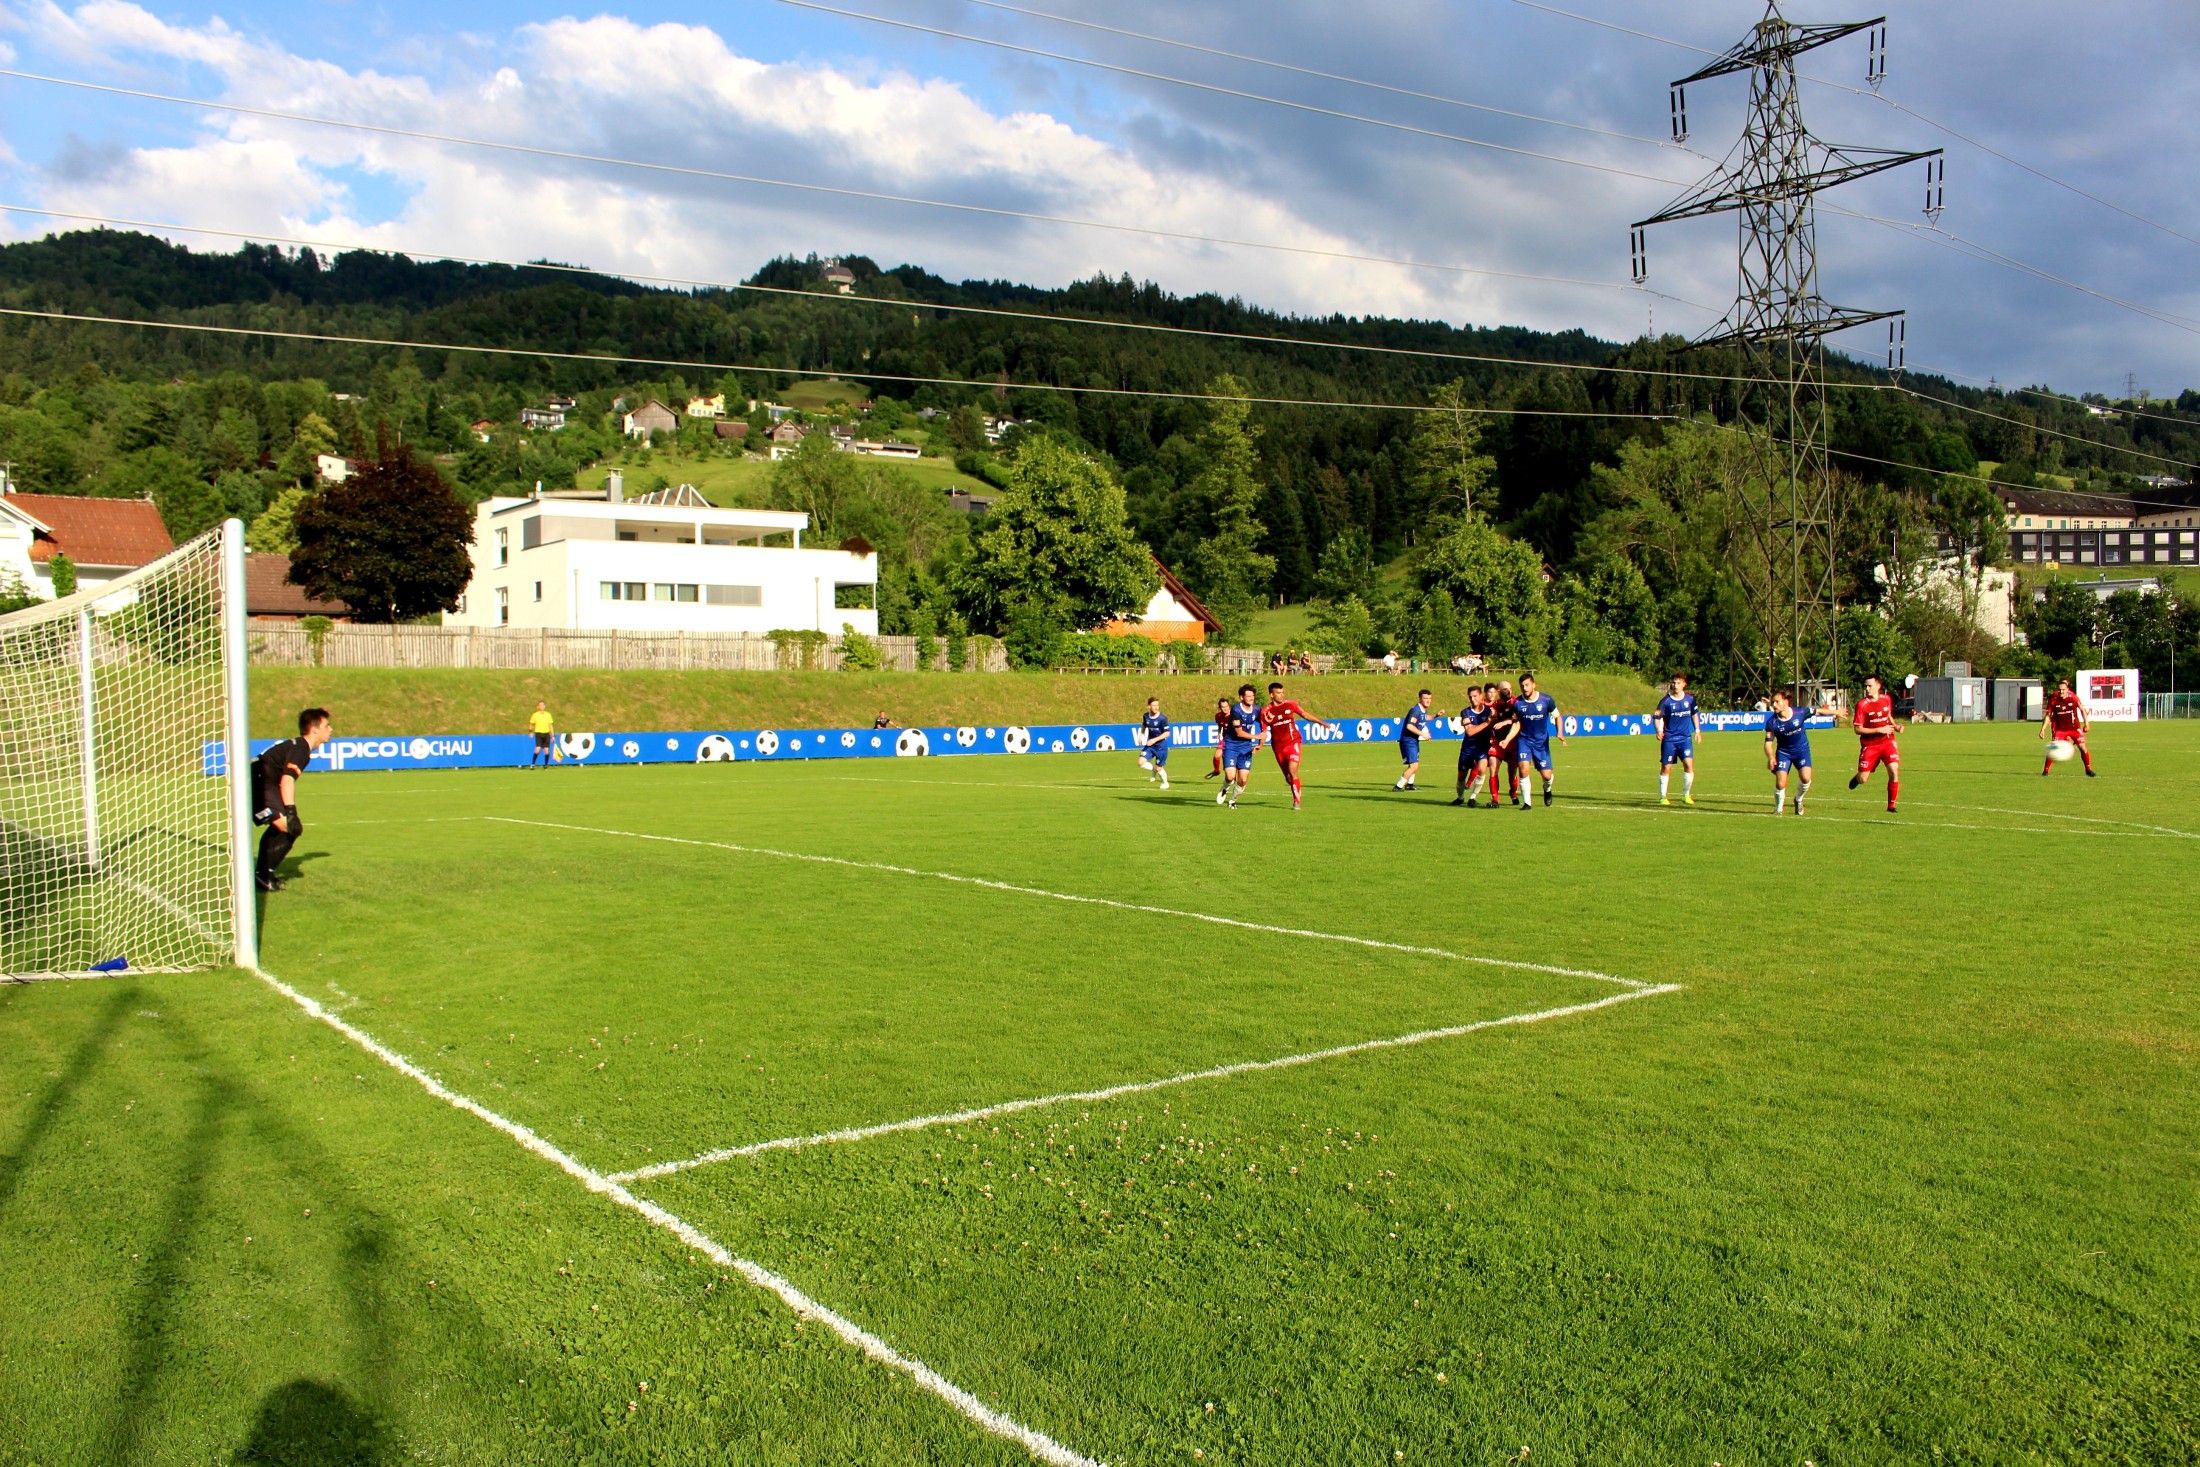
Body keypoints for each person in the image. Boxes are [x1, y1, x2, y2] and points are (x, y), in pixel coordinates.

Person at [254, 707, 332, 893]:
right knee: (289, 826)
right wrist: (291, 811)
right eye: (327, 726)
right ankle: (263, 875)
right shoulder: (301, 749)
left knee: (284, 827)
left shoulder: (299, 747)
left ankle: (263, 874)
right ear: (314, 729)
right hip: (259, 784)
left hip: (262, 783)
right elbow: (287, 780)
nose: (330, 729)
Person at [1260, 682, 1342, 810]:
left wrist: (1322, 723)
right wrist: (1260, 745)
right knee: (1288, 777)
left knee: (1293, 771)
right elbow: (1264, 731)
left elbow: (1305, 714)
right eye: (1278, 693)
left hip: (1293, 742)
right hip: (1278, 747)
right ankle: (1294, 787)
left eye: (1283, 693)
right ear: (1271, 695)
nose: (1282, 695)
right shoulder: (1265, 711)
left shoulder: (1290, 704)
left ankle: (1296, 801)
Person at [1511, 672, 1566, 810]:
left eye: (1527, 685)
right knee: (1523, 769)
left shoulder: (1546, 700)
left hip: (1541, 743)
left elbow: (1558, 717)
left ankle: (1547, 789)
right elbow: (1516, 723)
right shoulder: (1517, 703)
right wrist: (1507, 739)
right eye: (1522, 686)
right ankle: (1527, 803)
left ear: (1534, 685)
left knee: (1547, 776)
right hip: (1524, 741)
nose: (1525, 688)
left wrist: (1559, 732)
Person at [1848, 673, 1901, 813]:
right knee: (1863, 779)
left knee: (1894, 771)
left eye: (1870, 686)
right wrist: (1879, 729)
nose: (1867, 689)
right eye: (1865, 686)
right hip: (1870, 746)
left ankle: (1891, 806)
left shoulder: (1886, 699)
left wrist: (1895, 726)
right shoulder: (1862, 704)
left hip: (1888, 742)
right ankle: (1858, 778)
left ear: (1878, 686)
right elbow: (1857, 729)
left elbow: (1888, 715)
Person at [1762, 688, 1819, 815]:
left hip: (1802, 751)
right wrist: (1771, 757)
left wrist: (1836, 712)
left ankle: (1798, 799)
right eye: (1772, 702)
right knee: (1781, 783)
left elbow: (1817, 710)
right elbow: (1768, 743)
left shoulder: (1799, 712)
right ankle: (1778, 809)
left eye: (1777, 701)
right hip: (1784, 753)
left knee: (1806, 778)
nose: (1774, 705)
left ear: (1786, 701)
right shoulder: (1772, 722)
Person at [1653, 673, 1701, 806]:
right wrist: (1658, 730)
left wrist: (1697, 730)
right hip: (1669, 739)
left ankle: (1686, 795)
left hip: (1685, 738)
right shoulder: (1665, 701)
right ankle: (1663, 797)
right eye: (1674, 683)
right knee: (1666, 768)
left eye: (1678, 683)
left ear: (1684, 684)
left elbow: (1695, 714)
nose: (1675, 685)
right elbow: (1657, 718)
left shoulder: (1690, 700)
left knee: (1689, 765)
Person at [1218, 684, 1264, 808]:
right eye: (1248, 696)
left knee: (1243, 780)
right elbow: (1239, 732)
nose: (1251, 698)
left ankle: (1232, 801)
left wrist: (1260, 744)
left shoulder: (1257, 710)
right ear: (1241, 697)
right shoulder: (1236, 710)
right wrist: (1257, 737)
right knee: (1230, 776)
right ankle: (1224, 787)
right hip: (1231, 745)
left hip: (1246, 747)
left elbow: (1264, 727)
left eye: (1253, 696)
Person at [2041, 676, 2096, 777]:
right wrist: (2043, 729)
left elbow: (2082, 710)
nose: (2061, 692)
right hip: (2060, 730)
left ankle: (2088, 769)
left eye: (2063, 690)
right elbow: (2049, 715)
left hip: (2074, 728)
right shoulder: (2053, 699)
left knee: (2083, 748)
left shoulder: (2073, 697)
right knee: (2053, 748)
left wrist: (2087, 723)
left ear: (2067, 689)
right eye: (2059, 690)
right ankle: (2045, 771)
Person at [1451, 686, 1496, 807]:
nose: (1473, 699)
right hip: (1468, 747)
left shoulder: (1489, 711)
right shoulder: (1465, 712)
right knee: (1461, 775)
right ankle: (1460, 798)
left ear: (1481, 697)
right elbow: (1470, 732)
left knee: (1482, 769)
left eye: (1475, 696)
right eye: (1470, 697)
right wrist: (1487, 722)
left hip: (1482, 746)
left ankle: (1473, 797)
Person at [1394, 689, 1440, 792]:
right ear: (1420, 699)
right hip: (1408, 741)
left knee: (1414, 764)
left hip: (1413, 740)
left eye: (1429, 698)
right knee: (1414, 766)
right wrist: (1423, 734)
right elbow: (1409, 726)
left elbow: (1425, 718)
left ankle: (1410, 785)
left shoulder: (1422, 710)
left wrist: (1436, 715)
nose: (1428, 701)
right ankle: (1398, 786)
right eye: (1425, 698)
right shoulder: (1416, 710)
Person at [1484, 681, 1519, 805]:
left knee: (1512, 774)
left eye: (1510, 688)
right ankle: (1495, 799)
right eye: (1505, 689)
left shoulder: (1516, 703)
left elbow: (1517, 720)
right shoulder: (1495, 706)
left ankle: (1513, 792)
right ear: (1499, 692)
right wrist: (1491, 718)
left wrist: (1505, 722)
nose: (1508, 691)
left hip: (1513, 743)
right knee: (1493, 769)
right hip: (1498, 743)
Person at [1137, 696, 1173, 790]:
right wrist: (1140, 735)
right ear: (1149, 706)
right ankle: (1156, 770)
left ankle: (1165, 783)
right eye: (1154, 705)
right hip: (1151, 745)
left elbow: (1167, 733)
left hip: (1161, 746)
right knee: (1140, 763)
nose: (1156, 707)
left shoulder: (1162, 718)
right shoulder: (1146, 716)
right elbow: (1144, 725)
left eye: (1157, 705)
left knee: (1159, 768)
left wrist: (1154, 740)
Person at [1205, 696, 1232, 780]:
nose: (1225, 709)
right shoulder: (1218, 716)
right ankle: (1216, 771)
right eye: (1223, 707)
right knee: (1217, 756)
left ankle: (1233, 777)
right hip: (1225, 739)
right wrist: (1219, 732)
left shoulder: (1234, 715)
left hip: (1235, 741)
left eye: (1226, 706)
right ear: (1220, 708)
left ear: (1229, 706)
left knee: (1231, 760)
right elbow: (1220, 724)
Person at [527, 700, 556, 769]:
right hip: (539, 734)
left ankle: (545, 765)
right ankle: (533, 764)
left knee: (546, 751)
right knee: (537, 749)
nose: (542, 706)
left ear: (545, 706)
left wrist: (552, 736)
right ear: (538, 707)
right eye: (540, 705)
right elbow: (531, 724)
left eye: (543, 705)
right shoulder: (535, 715)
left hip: (546, 734)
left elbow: (551, 726)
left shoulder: (548, 715)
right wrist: (531, 732)